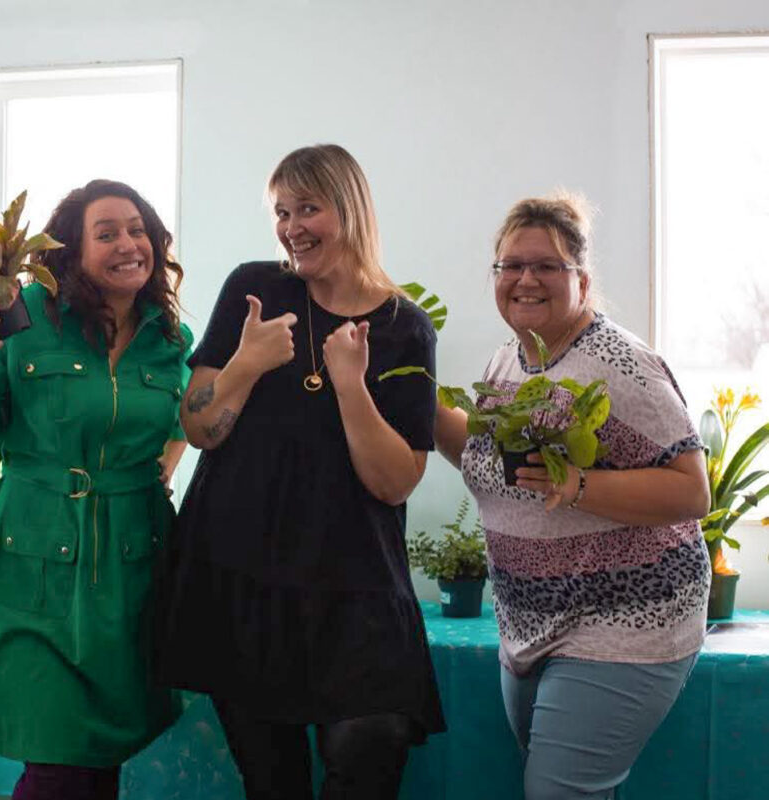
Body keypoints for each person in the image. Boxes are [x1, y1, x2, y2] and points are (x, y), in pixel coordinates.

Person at [162, 144, 445, 799]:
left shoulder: (405, 327)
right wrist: (246, 364)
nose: (291, 227)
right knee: (272, 786)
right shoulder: (253, 290)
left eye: (308, 207)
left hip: (356, 594)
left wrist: (351, 383)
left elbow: (395, 481)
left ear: (350, 207)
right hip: (244, 583)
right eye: (281, 211)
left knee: (368, 762)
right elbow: (200, 428)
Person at [434, 192, 711, 800]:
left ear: (581, 280)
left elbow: (693, 491)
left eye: (546, 266)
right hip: (530, 625)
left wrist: (581, 484)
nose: (525, 279)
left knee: (558, 794)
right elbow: (490, 463)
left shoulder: (619, 364)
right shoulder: (511, 361)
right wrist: (421, 403)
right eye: (511, 265)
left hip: (624, 620)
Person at [0, 179, 191, 800]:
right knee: (60, 764)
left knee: (98, 760)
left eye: (137, 230)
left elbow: (187, 418)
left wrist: (162, 470)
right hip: (30, 565)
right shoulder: (25, 322)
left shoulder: (170, 337)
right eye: (107, 234)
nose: (129, 244)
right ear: (70, 252)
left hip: (132, 570)